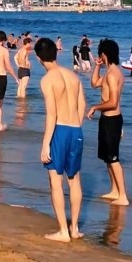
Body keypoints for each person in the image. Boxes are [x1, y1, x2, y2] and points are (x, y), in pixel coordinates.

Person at [35, 37, 85, 241]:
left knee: (55, 181)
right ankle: (74, 229)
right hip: (76, 130)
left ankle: (63, 231)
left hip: (60, 130)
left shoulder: (47, 80)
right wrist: (76, 126)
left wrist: (46, 143)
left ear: (39, 59)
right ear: (56, 53)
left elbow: (52, 114)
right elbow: (82, 105)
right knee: (74, 180)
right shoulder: (73, 76)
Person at [89, 39, 129, 205]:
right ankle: (114, 190)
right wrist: (97, 66)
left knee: (113, 158)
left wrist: (95, 107)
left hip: (112, 119)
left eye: (100, 54)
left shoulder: (113, 74)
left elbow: (113, 102)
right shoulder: (109, 71)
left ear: (104, 54)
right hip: (107, 119)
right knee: (107, 158)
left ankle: (123, 196)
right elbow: (93, 84)